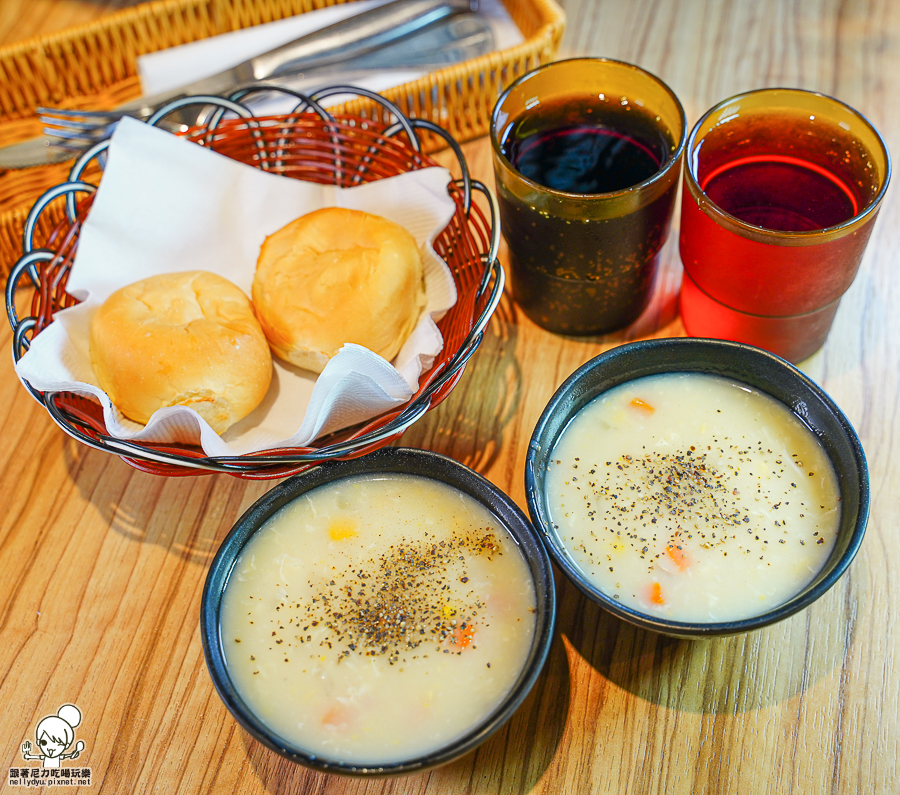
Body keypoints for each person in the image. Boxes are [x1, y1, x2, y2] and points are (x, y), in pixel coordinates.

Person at [21, 704, 85, 769]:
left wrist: (74, 753)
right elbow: (37, 757)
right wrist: (28, 755)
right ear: (38, 742)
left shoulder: (58, 756)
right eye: (44, 742)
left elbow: (67, 756)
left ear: (66, 746)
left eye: (59, 744)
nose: (51, 749)